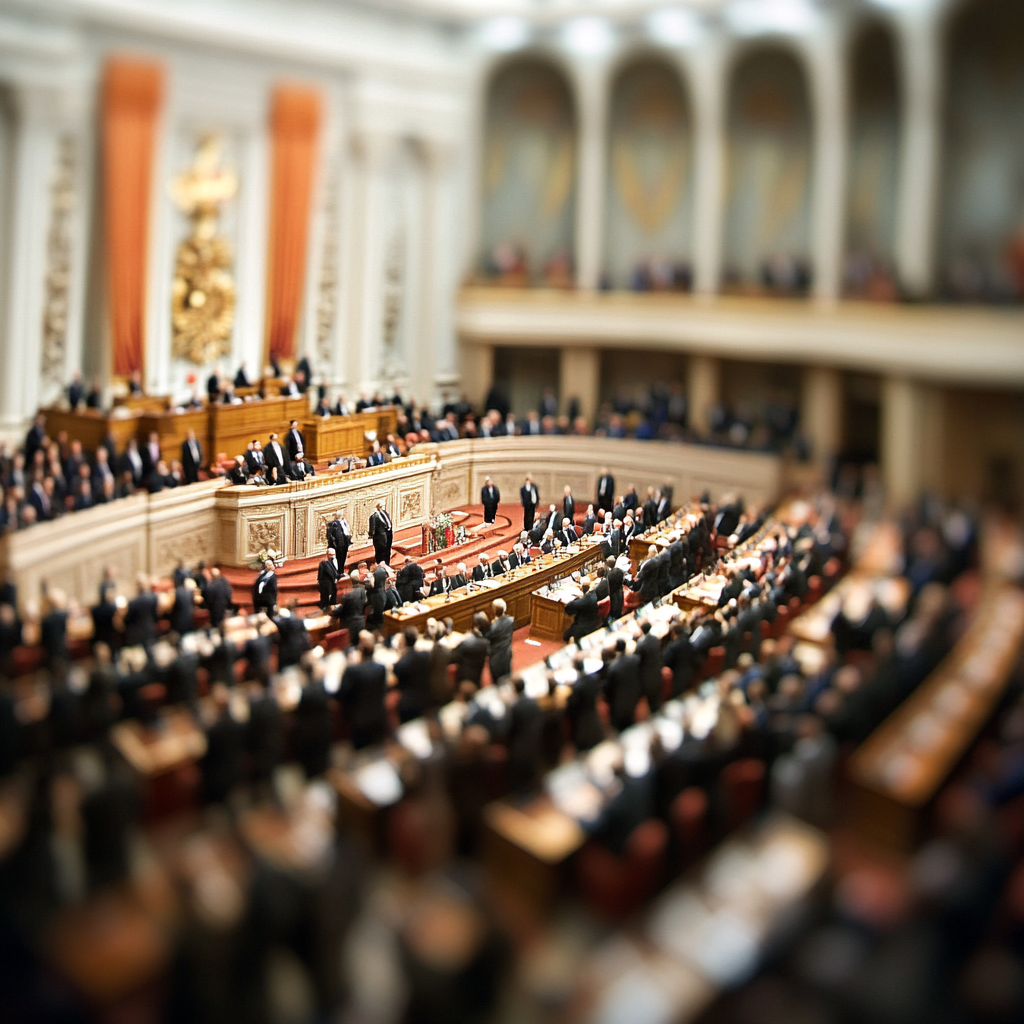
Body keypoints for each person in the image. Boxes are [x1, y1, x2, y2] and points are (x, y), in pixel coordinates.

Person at [338, 631, 388, 749]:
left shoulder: (352, 671)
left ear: (360, 652)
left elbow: (341, 694)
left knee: (362, 752)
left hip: (359, 721)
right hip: (379, 716)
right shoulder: (381, 668)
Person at [487, 599, 514, 681]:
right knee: (507, 675)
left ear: (494, 610)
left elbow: (488, 639)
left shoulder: (493, 627)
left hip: (496, 655)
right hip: (507, 652)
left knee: (497, 679)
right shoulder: (510, 620)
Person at [368, 501, 393, 566]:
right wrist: (372, 535)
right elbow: (372, 528)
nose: (383, 506)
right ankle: (380, 564)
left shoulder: (385, 513)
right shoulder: (374, 516)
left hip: (388, 534)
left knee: (388, 550)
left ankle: (387, 564)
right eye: (382, 505)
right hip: (379, 537)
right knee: (380, 551)